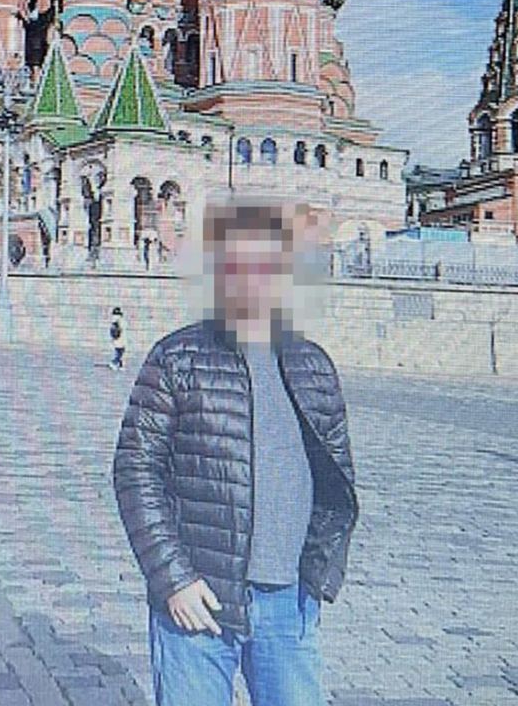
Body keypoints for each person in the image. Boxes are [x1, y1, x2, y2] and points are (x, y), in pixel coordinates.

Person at [113, 195, 357, 706]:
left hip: (289, 602)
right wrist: (173, 578)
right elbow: (136, 471)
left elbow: (337, 480)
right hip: (198, 599)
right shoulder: (177, 357)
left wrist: (318, 574)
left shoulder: (313, 364)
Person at [109, 306, 127, 371]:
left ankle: (120, 364)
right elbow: (115, 329)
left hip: (120, 338)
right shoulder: (117, 319)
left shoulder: (118, 319)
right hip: (119, 338)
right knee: (120, 352)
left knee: (120, 351)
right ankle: (114, 363)